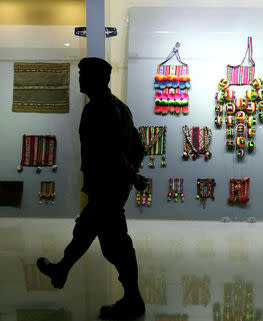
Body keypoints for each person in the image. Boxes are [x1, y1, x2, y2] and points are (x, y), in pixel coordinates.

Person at [36, 57, 147, 320]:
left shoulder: (100, 109)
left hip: (107, 185)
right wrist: (131, 176)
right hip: (113, 185)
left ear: (97, 78)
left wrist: (131, 176)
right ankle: (63, 269)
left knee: (112, 243)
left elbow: (112, 152)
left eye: (83, 73)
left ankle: (133, 300)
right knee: (92, 231)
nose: (79, 78)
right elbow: (138, 146)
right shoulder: (119, 106)